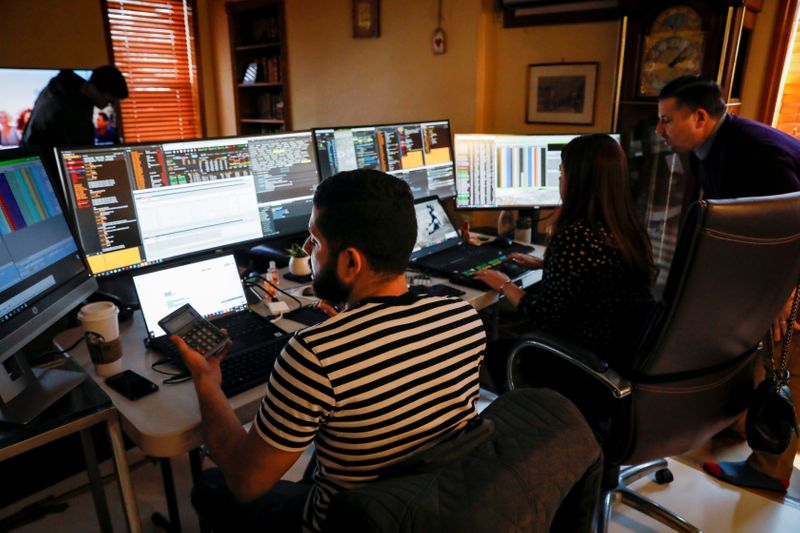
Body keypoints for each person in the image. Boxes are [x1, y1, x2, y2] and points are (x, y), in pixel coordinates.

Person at [174, 168, 487, 532]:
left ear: (351, 262)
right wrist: (352, 319)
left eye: (315, 240)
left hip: (347, 521)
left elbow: (247, 482)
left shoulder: (315, 355)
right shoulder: (464, 317)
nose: (308, 249)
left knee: (212, 487)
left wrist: (207, 382)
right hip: (424, 510)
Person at [656, 75, 800, 492]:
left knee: (784, 360)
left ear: (699, 117)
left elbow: (793, 225)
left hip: (792, 268)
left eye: (666, 120)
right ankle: (741, 424)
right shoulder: (705, 148)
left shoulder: (754, 153)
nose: (659, 131)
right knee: (751, 352)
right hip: (769, 266)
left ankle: (769, 470)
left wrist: (786, 295)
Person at [474, 134, 655, 373]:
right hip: (615, 355)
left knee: (491, 351)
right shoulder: (627, 226)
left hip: (577, 360)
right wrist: (545, 264)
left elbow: (543, 315)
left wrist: (504, 284)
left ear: (579, 181)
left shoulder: (575, 235)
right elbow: (597, 276)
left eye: (562, 172)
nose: (560, 179)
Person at [20, 66, 128, 172]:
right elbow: (82, 157)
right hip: (46, 170)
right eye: (108, 101)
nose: (110, 106)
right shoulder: (72, 109)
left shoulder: (65, 86)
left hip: (33, 161)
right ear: (92, 89)